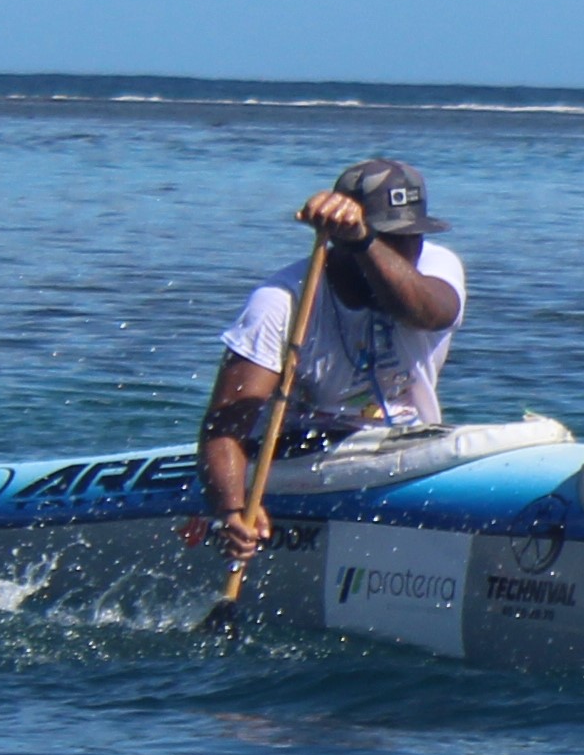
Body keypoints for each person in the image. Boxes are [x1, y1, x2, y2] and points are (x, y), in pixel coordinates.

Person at [197, 158, 469, 558]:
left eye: (412, 235)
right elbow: (224, 426)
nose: (407, 249)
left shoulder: (436, 266)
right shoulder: (281, 302)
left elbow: (430, 314)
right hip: (300, 455)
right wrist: (232, 512)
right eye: (389, 237)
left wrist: (365, 241)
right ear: (336, 241)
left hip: (407, 450)